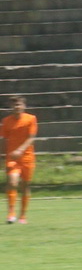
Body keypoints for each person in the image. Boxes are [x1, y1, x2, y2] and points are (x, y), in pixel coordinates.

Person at [1, 96, 37, 224]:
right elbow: (4, 139)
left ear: (24, 106)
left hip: (27, 158)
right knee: (12, 182)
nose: (17, 107)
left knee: (25, 186)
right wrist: (2, 155)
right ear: (11, 107)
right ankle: (11, 214)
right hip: (12, 158)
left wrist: (20, 150)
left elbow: (31, 137)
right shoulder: (6, 121)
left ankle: (23, 216)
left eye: (19, 104)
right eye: (14, 105)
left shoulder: (31, 119)